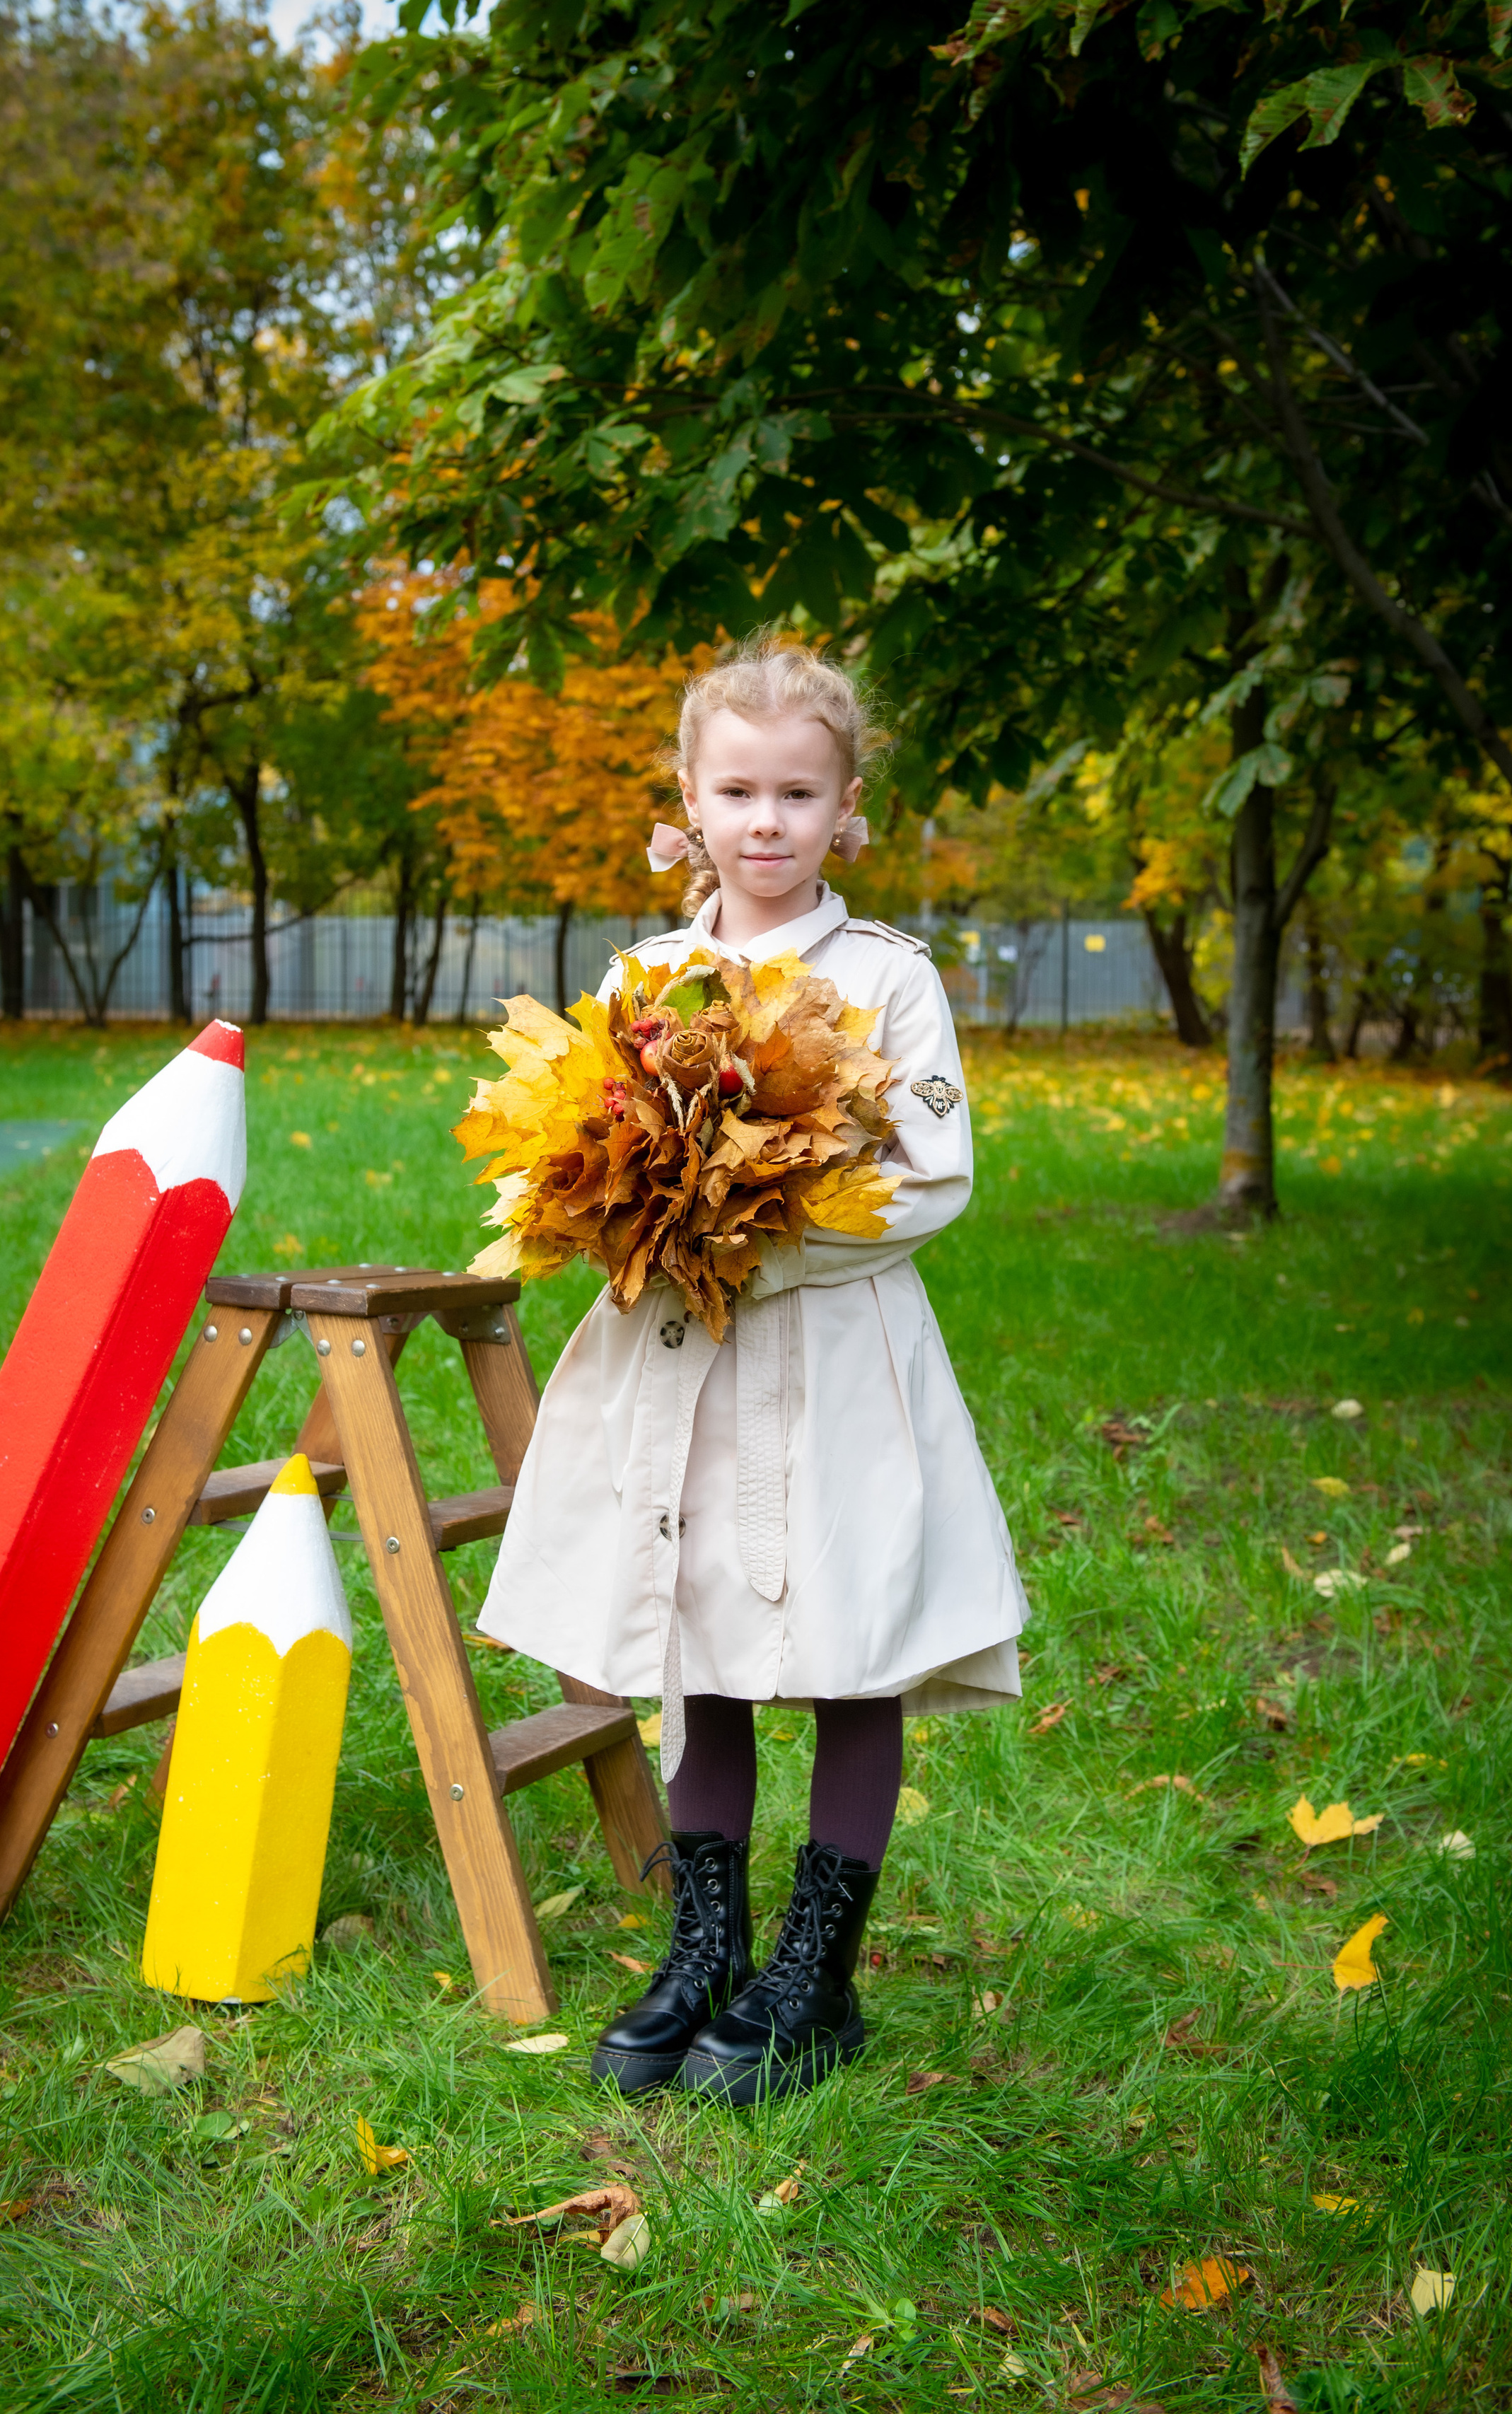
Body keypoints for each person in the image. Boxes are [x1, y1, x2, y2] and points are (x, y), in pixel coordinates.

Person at [477, 636, 1028, 2104]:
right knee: (694, 1639)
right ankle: (705, 1949)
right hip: (676, 1365)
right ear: (689, 798)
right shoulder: (643, 974)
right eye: (737, 789)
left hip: (834, 1359)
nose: (765, 820)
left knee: (851, 1651)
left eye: (798, 790)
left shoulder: (887, 979)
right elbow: (579, 1145)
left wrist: (747, 1238)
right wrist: (609, 1207)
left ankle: (815, 1978)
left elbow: (932, 1179)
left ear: (847, 805)